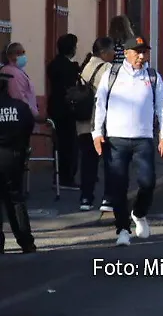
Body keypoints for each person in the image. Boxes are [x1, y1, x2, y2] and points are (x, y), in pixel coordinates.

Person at [92, 36, 163, 246]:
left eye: (145, 52)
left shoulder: (152, 76)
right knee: (118, 185)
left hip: (143, 138)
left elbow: (162, 106)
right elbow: (100, 104)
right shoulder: (112, 74)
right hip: (116, 139)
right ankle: (123, 229)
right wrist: (97, 133)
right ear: (126, 53)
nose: (142, 56)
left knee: (147, 182)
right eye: (137, 52)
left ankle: (139, 213)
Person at [78, 38, 115, 211]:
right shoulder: (106, 69)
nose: (114, 53)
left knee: (88, 163)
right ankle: (108, 198)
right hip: (101, 124)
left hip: (83, 123)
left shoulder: (86, 65)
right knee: (109, 161)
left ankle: (86, 198)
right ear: (104, 52)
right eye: (112, 50)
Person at [0, 73, 36, 253]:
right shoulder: (20, 107)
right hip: (14, 156)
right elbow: (29, 127)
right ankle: (26, 242)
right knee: (15, 199)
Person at [45, 33, 81, 189]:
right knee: (69, 145)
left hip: (55, 107)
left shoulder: (53, 64)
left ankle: (58, 175)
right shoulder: (68, 67)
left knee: (58, 144)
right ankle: (67, 178)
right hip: (67, 109)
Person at [0, 43, 40, 119]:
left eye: (23, 52)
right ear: (9, 56)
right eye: (18, 53)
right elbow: (19, 97)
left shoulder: (16, 70)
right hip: (20, 116)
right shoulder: (12, 72)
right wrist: (34, 114)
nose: (22, 56)